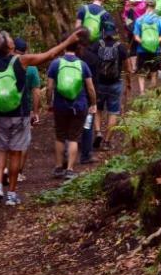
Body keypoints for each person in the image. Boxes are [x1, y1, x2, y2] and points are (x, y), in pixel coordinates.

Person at [0, 30, 79, 205]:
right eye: (11, 39)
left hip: (0, 115)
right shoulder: (21, 61)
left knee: (1, 150)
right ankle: (11, 195)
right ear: (10, 46)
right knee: (15, 153)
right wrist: (68, 42)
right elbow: (48, 55)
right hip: (19, 115)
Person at [46, 34, 97, 180]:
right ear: (77, 48)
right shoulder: (82, 65)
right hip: (79, 105)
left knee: (60, 136)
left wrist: (50, 103)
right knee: (73, 137)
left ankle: (58, 168)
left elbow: (49, 87)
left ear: (64, 46)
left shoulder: (55, 64)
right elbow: (90, 88)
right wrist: (93, 103)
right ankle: (69, 169)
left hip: (60, 106)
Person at [93, 21, 129, 150]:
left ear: (103, 32)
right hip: (115, 83)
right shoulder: (120, 47)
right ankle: (107, 142)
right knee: (113, 112)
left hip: (100, 84)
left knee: (98, 109)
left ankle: (98, 132)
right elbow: (127, 66)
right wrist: (128, 82)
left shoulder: (97, 45)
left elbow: (91, 62)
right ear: (115, 33)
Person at [14, 38, 41, 181]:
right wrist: (35, 112)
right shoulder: (31, 67)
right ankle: (18, 173)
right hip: (24, 109)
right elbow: (36, 91)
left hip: (5, 110)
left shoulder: (5, 64)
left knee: (6, 141)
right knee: (22, 141)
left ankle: (6, 170)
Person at [74, 31, 100, 165]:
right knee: (87, 126)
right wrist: (94, 101)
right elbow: (93, 82)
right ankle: (86, 154)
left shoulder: (66, 59)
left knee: (69, 129)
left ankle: (65, 158)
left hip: (68, 98)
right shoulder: (92, 58)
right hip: (85, 99)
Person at [133, 0, 161, 92]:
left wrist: (144, 42)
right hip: (155, 49)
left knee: (141, 73)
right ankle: (151, 92)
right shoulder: (160, 20)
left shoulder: (139, 20)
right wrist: (154, 42)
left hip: (141, 50)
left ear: (145, 6)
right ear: (155, 6)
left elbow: (136, 37)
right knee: (154, 72)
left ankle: (142, 92)